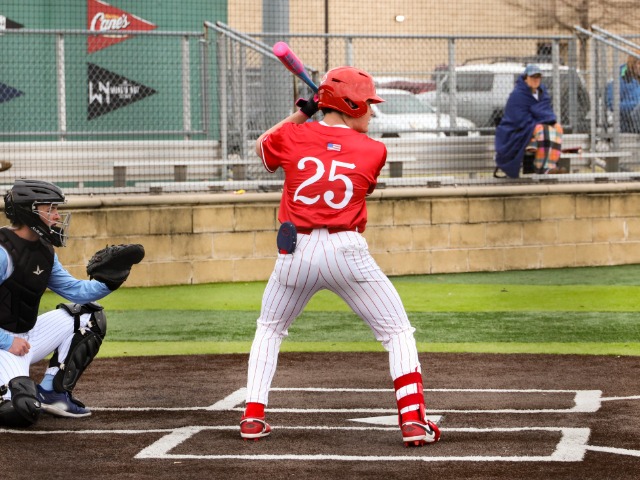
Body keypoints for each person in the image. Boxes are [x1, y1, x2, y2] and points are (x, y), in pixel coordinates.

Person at [240, 67, 441, 447]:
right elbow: (340, 156)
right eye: (367, 104)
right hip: (346, 251)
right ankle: (414, 420)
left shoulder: (293, 135)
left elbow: (262, 145)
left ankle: (252, 415)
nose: (372, 111)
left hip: (295, 253)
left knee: (269, 329)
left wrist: (304, 111)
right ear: (351, 105)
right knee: (397, 333)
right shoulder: (374, 150)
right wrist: (319, 118)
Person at [0, 179, 131, 427]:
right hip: (3, 345)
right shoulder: (2, 252)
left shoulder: (44, 250)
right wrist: (7, 342)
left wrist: (110, 281)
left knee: (89, 317)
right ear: (29, 211)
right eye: (50, 208)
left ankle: (53, 392)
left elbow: (75, 290)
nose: (57, 215)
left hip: (25, 338)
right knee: (22, 409)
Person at [494, 64, 565, 178]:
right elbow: (518, 117)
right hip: (517, 130)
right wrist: (539, 123)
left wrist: (551, 122)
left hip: (536, 125)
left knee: (557, 128)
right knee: (542, 130)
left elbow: (545, 111)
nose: (536, 80)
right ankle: (541, 167)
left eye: (538, 77)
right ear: (525, 78)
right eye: (533, 77)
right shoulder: (517, 94)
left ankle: (551, 165)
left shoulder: (542, 93)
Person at [606, 53, 640, 133]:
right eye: (639, 63)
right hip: (628, 124)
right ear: (633, 64)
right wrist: (635, 105)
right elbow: (612, 104)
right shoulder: (620, 80)